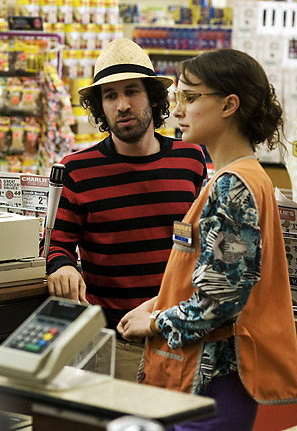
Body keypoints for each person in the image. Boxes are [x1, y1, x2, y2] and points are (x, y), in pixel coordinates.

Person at [117, 48, 297, 429]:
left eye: (191, 97)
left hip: (214, 385)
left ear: (229, 104)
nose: (178, 110)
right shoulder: (239, 176)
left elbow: (220, 302)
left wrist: (153, 323)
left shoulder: (233, 187)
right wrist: (154, 304)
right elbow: (211, 275)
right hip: (208, 383)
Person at [40, 38, 207, 381]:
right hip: (115, 343)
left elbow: (197, 242)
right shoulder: (77, 170)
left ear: (153, 97)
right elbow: (56, 244)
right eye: (110, 96)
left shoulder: (190, 159)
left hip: (180, 338)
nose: (122, 105)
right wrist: (63, 267)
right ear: (100, 107)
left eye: (132, 91)